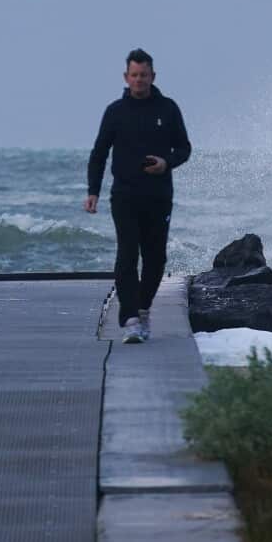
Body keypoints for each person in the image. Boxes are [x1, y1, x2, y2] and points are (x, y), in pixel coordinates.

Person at [85, 49, 191, 344]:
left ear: (152, 76)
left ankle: (143, 309)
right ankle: (130, 318)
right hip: (125, 195)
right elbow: (99, 153)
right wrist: (93, 191)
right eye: (134, 75)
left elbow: (184, 148)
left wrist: (166, 163)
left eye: (144, 75)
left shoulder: (168, 109)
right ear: (126, 77)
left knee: (156, 258)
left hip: (158, 196)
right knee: (127, 255)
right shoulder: (115, 111)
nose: (139, 80)